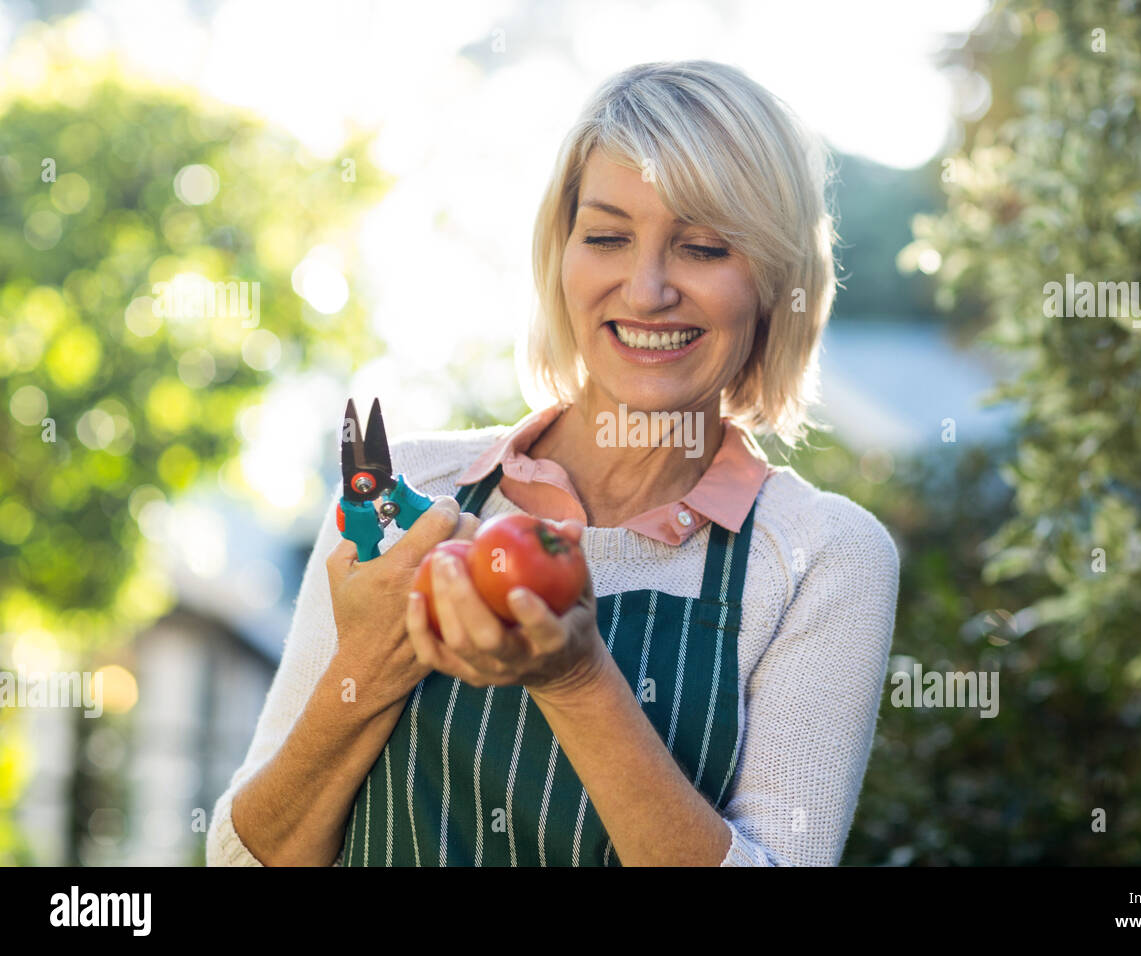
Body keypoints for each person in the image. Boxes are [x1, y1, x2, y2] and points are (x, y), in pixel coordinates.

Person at [207, 59, 900, 867]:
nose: (645, 291)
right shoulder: (412, 497)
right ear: (560, 254)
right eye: (607, 236)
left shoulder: (822, 559)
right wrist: (367, 663)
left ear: (779, 280)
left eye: (703, 248)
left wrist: (576, 680)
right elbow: (242, 860)